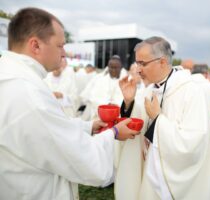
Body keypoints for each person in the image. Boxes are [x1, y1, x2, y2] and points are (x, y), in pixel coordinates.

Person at [0, 7, 139, 200]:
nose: (64, 53)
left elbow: (50, 128)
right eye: (60, 45)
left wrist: (89, 126)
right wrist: (113, 133)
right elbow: (81, 155)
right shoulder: (29, 93)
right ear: (35, 46)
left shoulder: (9, 75)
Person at [115, 36, 210, 200]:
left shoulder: (190, 91)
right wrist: (129, 103)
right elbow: (140, 122)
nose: (138, 70)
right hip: (152, 172)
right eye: (137, 63)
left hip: (175, 182)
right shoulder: (151, 89)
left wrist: (158, 120)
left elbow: (193, 142)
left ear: (162, 62)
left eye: (143, 63)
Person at [80, 55, 126, 120]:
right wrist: (107, 104)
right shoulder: (100, 79)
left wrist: (115, 105)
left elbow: (127, 101)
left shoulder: (126, 81)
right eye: (111, 67)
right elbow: (92, 97)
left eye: (115, 68)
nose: (113, 70)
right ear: (108, 67)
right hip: (99, 114)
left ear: (120, 68)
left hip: (118, 115)